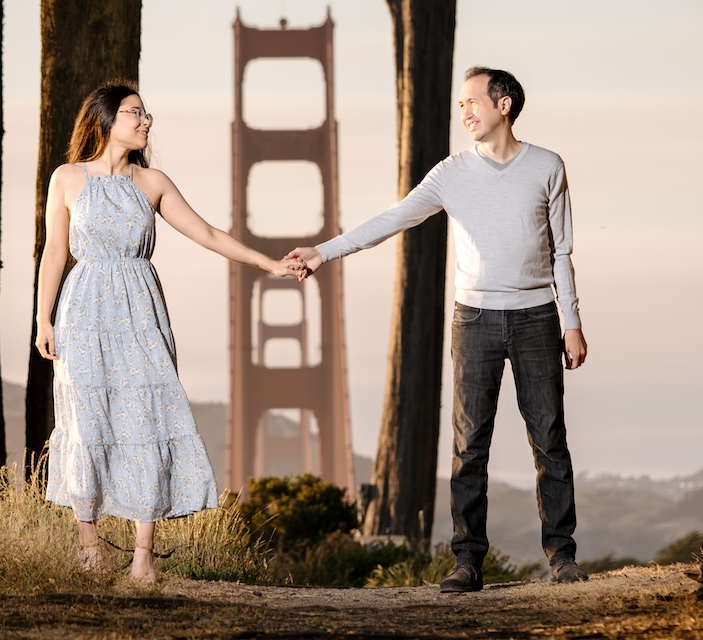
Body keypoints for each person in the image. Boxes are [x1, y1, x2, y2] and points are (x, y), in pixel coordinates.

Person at [287, 66, 589, 592]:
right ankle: (467, 561)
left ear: (505, 105)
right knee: (470, 444)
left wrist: (573, 324)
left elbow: (561, 253)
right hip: (473, 320)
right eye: (460, 105)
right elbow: (392, 219)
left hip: (538, 317)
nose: (466, 112)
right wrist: (323, 252)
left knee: (549, 439)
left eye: (473, 102)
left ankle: (562, 556)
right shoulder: (450, 173)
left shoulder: (547, 166)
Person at [34, 80, 303, 583]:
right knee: (87, 419)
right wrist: (43, 318)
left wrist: (269, 264)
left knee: (146, 420)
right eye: (135, 113)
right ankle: (88, 546)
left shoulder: (152, 182)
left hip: (139, 311)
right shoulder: (67, 179)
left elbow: (206, 233)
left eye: (146, 114)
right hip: (83, 310)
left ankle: (143, 558)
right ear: (106, 119)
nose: (145, 121)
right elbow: (55, 251)